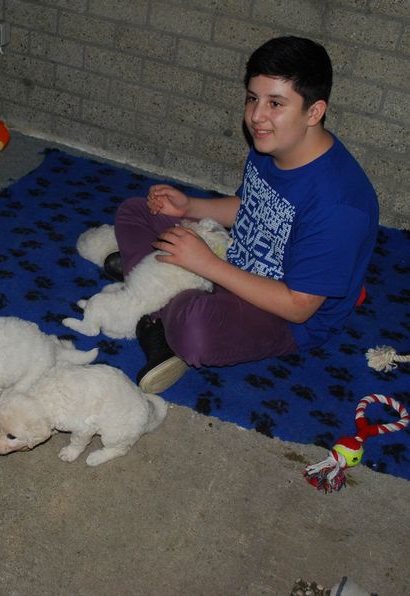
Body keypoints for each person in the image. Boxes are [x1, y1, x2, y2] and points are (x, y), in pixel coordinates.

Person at [104, 36, 379, 394]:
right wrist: (189, 207)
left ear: (314, 112)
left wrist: (206, 265)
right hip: (232, 261)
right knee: (136, 211)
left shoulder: (339, 205)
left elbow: (299, 307)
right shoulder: (273, 144)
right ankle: (157, 287)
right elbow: (249, 208)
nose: (256, 117)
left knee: (196, 328)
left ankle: (153, 311)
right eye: (252, 99)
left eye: (275, 103)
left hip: (286, 317)